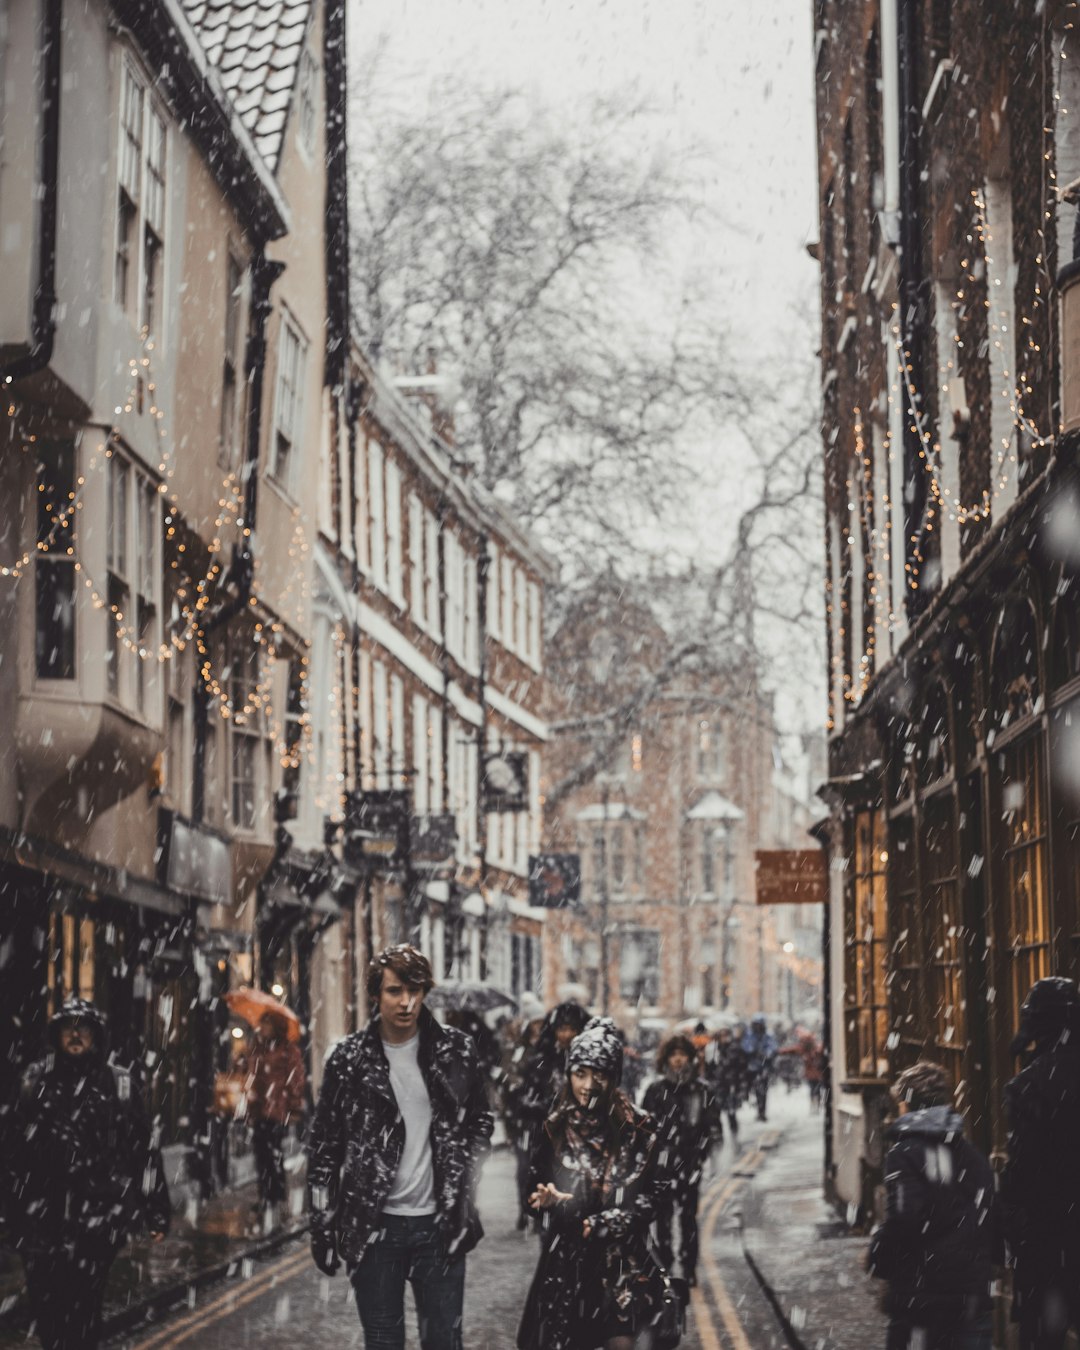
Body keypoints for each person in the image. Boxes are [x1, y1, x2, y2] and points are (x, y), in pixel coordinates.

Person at [306, 944, 494, 1350]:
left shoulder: (455, 1050)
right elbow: (325, 1144)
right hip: (375, 1226)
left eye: (415, 990)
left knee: (443, 1341)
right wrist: (321, 1224)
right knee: (383, 1342)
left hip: (440, 1225)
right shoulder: (349, 1059)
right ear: (376, 994)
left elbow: (481, 1119)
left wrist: (466, 1176)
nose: (406, 1002)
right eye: (395, 991)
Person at [1, 999, 170, 1350]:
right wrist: (12, 1214)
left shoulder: (118, 1086)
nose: (76, 1035)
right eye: (68, 1028)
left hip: (97, 1220)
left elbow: (143, 1151)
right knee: (47, 1312)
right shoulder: (35, 1083)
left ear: (96, 1036)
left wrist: (156, 1209)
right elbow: (12, 1155)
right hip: (42, 1222)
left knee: (83, 1311)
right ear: (57, 1035)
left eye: (83, 1028)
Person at [518, 1016, 667, 1350]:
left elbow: (654, 1192)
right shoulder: (553, 1127)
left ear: (614, 1076)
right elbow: (533, 1189)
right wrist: (544, 1199)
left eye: (599, 1074)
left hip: (622, 1260)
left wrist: (614, 1220)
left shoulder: (640, 1127)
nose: (587, 1084)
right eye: (579, 1073)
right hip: (567, 1262)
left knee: (622, 1343)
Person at [868, 1061, 996, 1350]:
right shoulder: (969, 1152)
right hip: (970, 1293)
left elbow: (904, 1217)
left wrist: (879, 1254)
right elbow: (991, 1212)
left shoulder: (904, 1153)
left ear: (906, 1104)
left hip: (923, 1294)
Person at [1001, 977, 1080, 1350]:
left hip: (1047, 1231)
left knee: (1043, 1334)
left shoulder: (1028, 1085)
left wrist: (1010, 1217)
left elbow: (1025, 1170)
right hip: (1061, 1227)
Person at [642, 1034, 721, 1285]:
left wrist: (701, 1155)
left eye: (682, 1055)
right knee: (662, 1218)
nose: (678, 1060)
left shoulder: (701, 1090)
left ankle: (688, 1267)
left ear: (690, 1058)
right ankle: (664, 1264)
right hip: (661, 1166)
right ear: (665, 1059)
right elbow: (645, 1129)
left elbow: (711, 1127)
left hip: (690, 1163)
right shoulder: (656, 1090)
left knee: (688, 1217)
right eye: (673, 1055)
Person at [505, 1001, 590, 1229]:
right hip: (546, 1133)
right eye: (562, 1029)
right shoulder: (542, 1060)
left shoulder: (589, 1063)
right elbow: (523, 1094)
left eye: (572, 1029)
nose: (567, 1034)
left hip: (581, 1137)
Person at [244, 1008, 306, 1230]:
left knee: (273, 1156)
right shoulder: (258, 1048)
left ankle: (276, 1198)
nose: (264, 1028)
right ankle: (266, 1197)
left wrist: (293, 1105)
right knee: (262, 1156)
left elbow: (296, 1078)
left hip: (277, 1111)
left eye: (268, 1024)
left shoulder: (288, 1050)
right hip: (260, 1110)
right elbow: (253, 1077)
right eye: (263, 1024)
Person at [705, 1026, 747, 1136]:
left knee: (731, 1113)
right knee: (715, 1114)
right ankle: (719, 1139)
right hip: (718, 1086)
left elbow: (740, 1068)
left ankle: (734, 1136)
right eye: (721, 1036)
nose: (724, 1038)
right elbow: (710, 1068)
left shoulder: (735, 1048)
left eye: (725, 1035)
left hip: (730, 1085)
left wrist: (741, 1087)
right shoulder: (713, 1049)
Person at [741, 1014, 778, 1121]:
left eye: (759, 1025)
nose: (757, 1027)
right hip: (752, 1068)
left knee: (762, 1091)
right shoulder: (750, 1035)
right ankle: (755, 1106)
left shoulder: (767, 1036)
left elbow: (773, 1048)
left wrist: (765, 1054)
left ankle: (761, 1111)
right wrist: (753, 1051)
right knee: (753, 1089)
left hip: (763, 1068)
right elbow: (746, 1046)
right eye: (756, 1024)